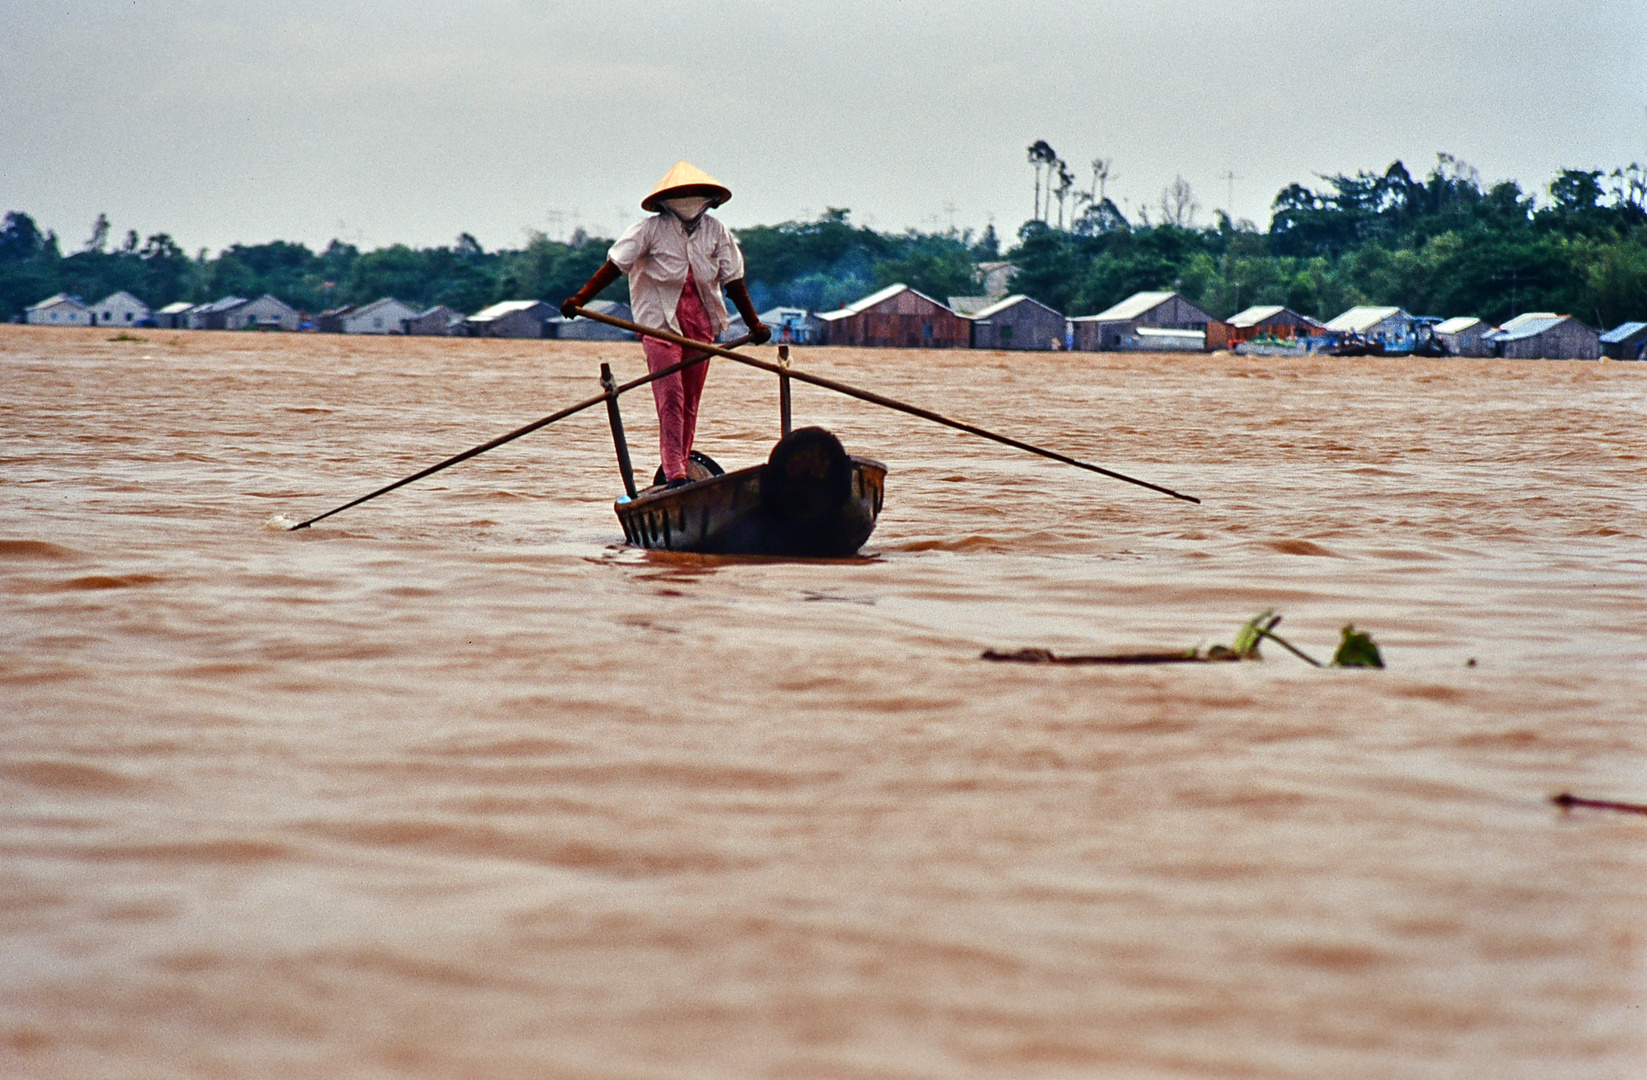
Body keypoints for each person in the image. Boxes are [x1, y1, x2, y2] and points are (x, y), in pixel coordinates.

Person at [562, 162, 769, 488]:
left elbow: (734, 281)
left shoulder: (716, 232)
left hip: (700, 327)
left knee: (689, 401)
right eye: (682, 195)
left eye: (695, 195)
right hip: (660, 327)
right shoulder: (649, 231)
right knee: (670, 397)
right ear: (667, 200)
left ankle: (681, 466)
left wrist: (754, 324)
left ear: (708, 199)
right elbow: (615, 266)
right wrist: (580, 298)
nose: (689, 202)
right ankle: (675, 473)